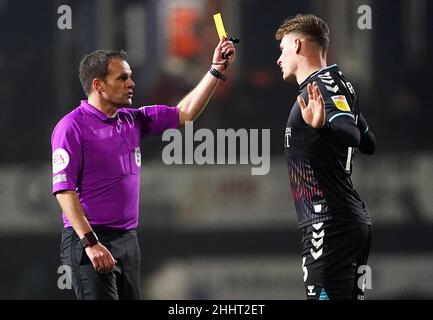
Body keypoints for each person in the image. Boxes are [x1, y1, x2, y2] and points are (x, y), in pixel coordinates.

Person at [51, 38, 236, 300]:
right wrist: (90, 242)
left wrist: (215, 69)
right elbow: (64, 191)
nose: (131, 83)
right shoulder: (71, 127)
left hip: (127, 240)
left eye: (131, 76)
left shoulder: (133, 119)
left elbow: (185, 113)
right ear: (98, 85)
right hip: (90, 238)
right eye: (122, 77)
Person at [275, 14, 376, 300]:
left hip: (328, 225)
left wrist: (324, 125)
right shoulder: (338, 83)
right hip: (346, 222)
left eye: (282, 49)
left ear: (296, 44)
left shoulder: (320, 87)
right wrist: (341, 121)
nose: (279, 59)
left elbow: (352, 136)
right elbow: (369, 142)